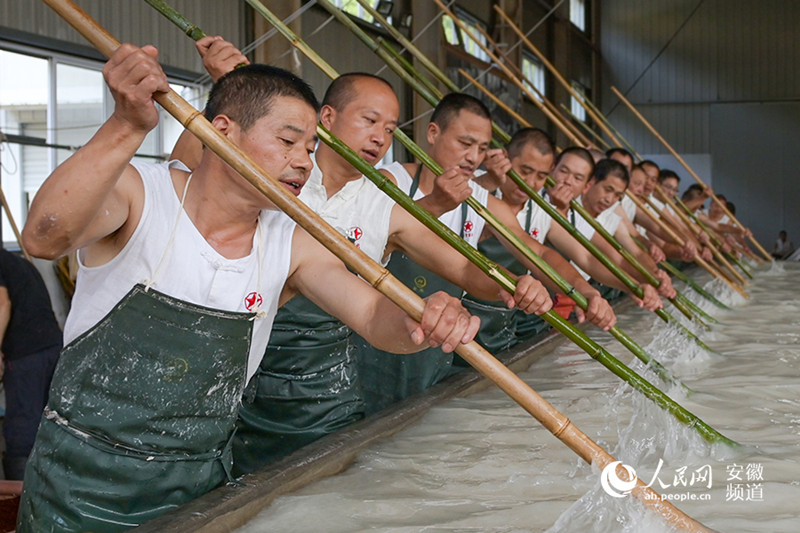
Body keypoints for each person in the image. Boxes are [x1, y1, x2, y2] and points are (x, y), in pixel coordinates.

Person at [16, 45, 482, 532]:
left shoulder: (291, 241)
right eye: (288, 141)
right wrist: (127, 125)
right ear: (223, 131)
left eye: (310, 149)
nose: (303, 162)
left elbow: (372, 317)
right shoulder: (141, 195)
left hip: (197, 488)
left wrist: (424, 319)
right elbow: (44, 238)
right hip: (76, 485)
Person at [173, 37, 553, 475]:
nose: (380, 137)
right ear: (326, 118)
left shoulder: (384, 201)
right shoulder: (274, 178)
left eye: (390, 129)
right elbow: (192, 173)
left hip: (326, 388)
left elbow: (464, 267)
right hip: (238, 375)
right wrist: (229, 91)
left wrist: (513, 285)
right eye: (369, 120)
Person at [0, 249, 61, 480]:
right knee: (50, 422)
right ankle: (49, 489)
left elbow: (2, 304)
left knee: (22, 427)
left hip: (26, 354)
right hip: (53, 346)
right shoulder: (17, 263)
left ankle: (19, 494)